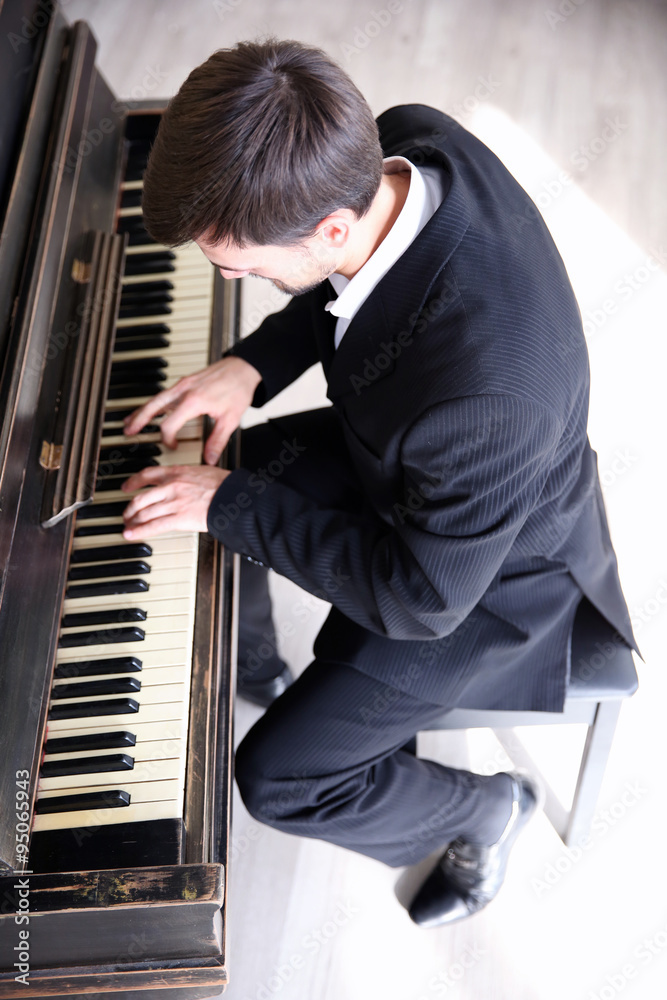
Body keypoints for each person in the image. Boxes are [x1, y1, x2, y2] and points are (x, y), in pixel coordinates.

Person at [120, 38, 640, 926]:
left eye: (237, 263)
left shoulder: (485, 400)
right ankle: (255, 666)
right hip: (411, 459)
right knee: (215, 476)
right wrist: (252, 364)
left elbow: (418, 600)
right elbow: (335, 295)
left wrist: (233, 506)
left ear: (328, 229)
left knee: (275, 775)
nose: (229, 277)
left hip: (485, 582)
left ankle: (486, 811)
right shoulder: (400, 145)